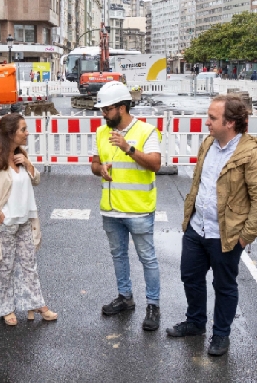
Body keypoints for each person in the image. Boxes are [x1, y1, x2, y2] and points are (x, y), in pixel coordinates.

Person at [166, 95, 257, 357]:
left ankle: (221, 335)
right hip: (197, 228)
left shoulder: (252, 156)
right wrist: (190, 216)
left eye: (212, 118)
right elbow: (199, 184)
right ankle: (195, 322)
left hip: (226, 234)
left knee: (224, 286)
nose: (207, 122)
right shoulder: (208, 143)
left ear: (231, 123)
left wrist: (246, 236)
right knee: (190, 277)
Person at [90, 82, 163, 331]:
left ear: (122, 107)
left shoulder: (147, 131)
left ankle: (153, 304)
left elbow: (155, 164)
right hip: (110, 210)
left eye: (107, 109)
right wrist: (100, 169)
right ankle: (125, 297)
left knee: (147, 259)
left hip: (138, 209)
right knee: (118, 256)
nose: (103, 114)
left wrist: (128, 148)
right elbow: (94, 164)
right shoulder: (101, 132)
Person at [0, 114, 57, 326]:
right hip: (5, 223)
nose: (27, 133)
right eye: (23, 129)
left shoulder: (21, 155)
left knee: (29, 265)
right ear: (10, 134)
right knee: (4, 268)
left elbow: (36, 180)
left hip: (25, 221)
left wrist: (29, 165)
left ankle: (36, 304)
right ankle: (5, 308)